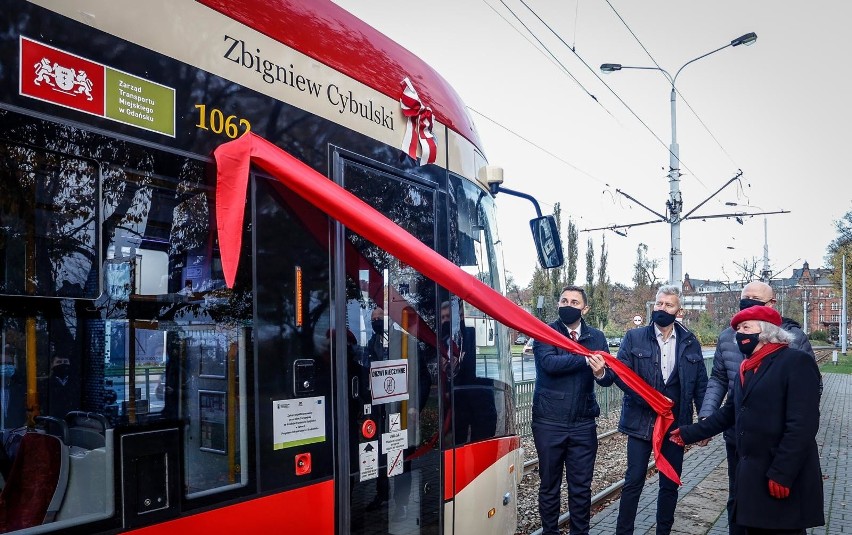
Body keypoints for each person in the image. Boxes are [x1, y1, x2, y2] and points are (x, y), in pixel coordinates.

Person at [671, 306, 824, 535]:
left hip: (779, 475)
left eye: (746, 327)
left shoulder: (796, 362)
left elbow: (802, 426)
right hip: (753, 477)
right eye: (738, 329)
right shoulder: (748, 367)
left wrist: (782, 472)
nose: (740, 334)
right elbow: (730, 411)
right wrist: (689, 433)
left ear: (766, 331)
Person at [613, 284, 707, 535]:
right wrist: (649, 399)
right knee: (633, 481)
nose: (661, 308)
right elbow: (621, 375)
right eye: (659, 303)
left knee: (670, 483)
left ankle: (663, 531)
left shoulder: (689, 341)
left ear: (679, 311)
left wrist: (703, 423)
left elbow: (700, 385)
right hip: (640, 422)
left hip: (676, 426)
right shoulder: (634, 338)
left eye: (668, 305)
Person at [531, 285, 613, 535]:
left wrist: (600, 371)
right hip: (549, 421)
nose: (568, 305)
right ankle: (550, 532)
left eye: (574, 302)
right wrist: (586, 358)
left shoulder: (597, 337)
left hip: (583, 422)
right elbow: (549, 364)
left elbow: (608, 377)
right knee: (549, 485)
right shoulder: (545, 332)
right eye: (564, 300)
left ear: (584, 308)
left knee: (580, 487)